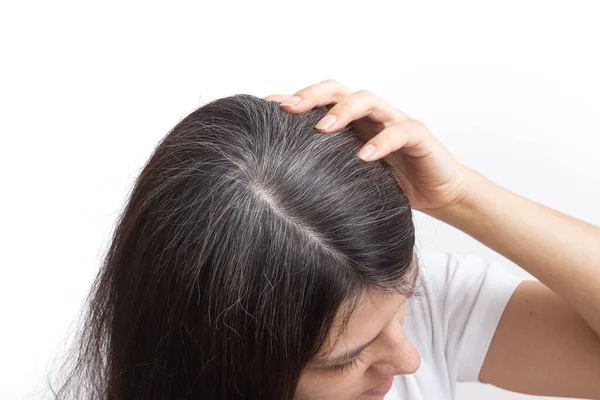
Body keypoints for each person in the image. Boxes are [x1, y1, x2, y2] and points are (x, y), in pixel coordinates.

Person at [47, 79, 600, 400]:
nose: (407, 360)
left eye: (403, 304)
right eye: (344, 360)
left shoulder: (401, 303)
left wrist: (462, 197)